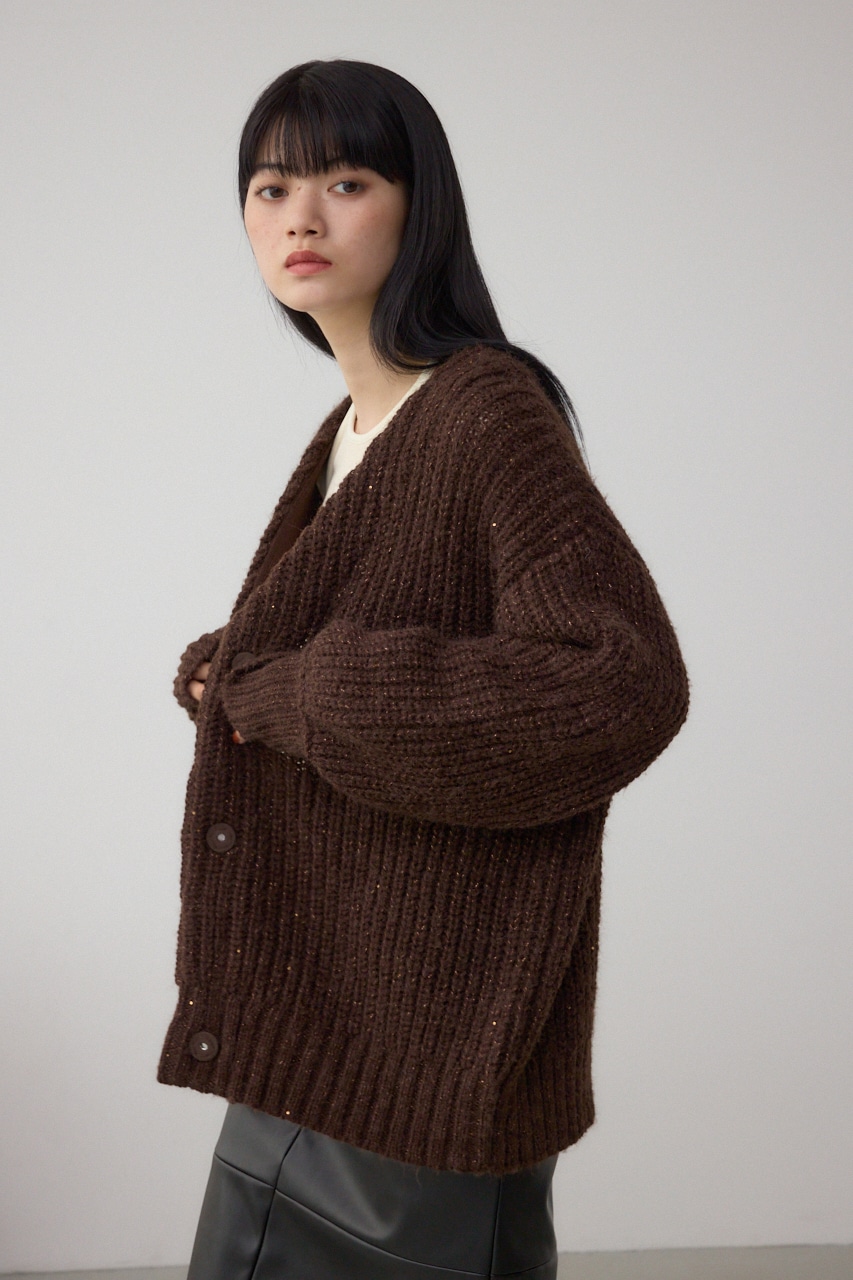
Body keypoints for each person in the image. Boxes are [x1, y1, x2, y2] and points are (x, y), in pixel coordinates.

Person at [158, 59, 689, 1280]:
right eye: (270, 187)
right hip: (320, 1039)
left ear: (419, 206)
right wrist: (237, 673)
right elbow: (373, 638)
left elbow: (617, 683)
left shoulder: (482, 408)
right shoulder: (355, 428)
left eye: (346, 181)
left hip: (420, 1061)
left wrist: (303, 692)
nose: (300, 216)